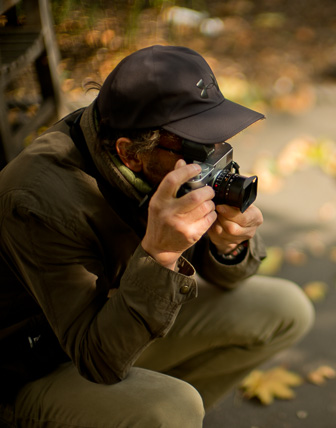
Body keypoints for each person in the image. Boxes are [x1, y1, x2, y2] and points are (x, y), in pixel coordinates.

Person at [0, 45, 314, 427]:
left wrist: (227, 244)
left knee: (284, 309)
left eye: (217, 132)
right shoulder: (38, 201)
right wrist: (161, 256)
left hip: (118, 323)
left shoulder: (166, 159)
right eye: (199, 144)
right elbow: (97, 360)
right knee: (170, 407)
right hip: (33, 368)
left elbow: (232, 278)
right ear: (130, 154)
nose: (216, 154)